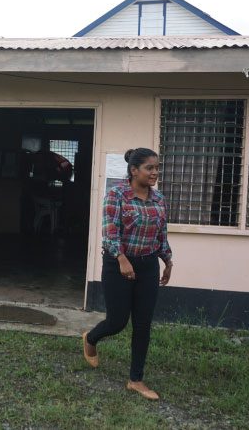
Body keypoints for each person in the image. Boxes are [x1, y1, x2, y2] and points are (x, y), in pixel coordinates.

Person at [82, 148, 173, 400]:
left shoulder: (158, 200)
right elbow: (110, 233)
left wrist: (167, 260)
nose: (155, 172)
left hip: (148, 266)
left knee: (143, 325)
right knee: (117, 322)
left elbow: (161, 234)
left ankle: (136, 379)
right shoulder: (117, 195)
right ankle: (91, 338)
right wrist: (121, 259)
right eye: (149, 168)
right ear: (134, 170)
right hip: (117, 264)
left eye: (156, 167)